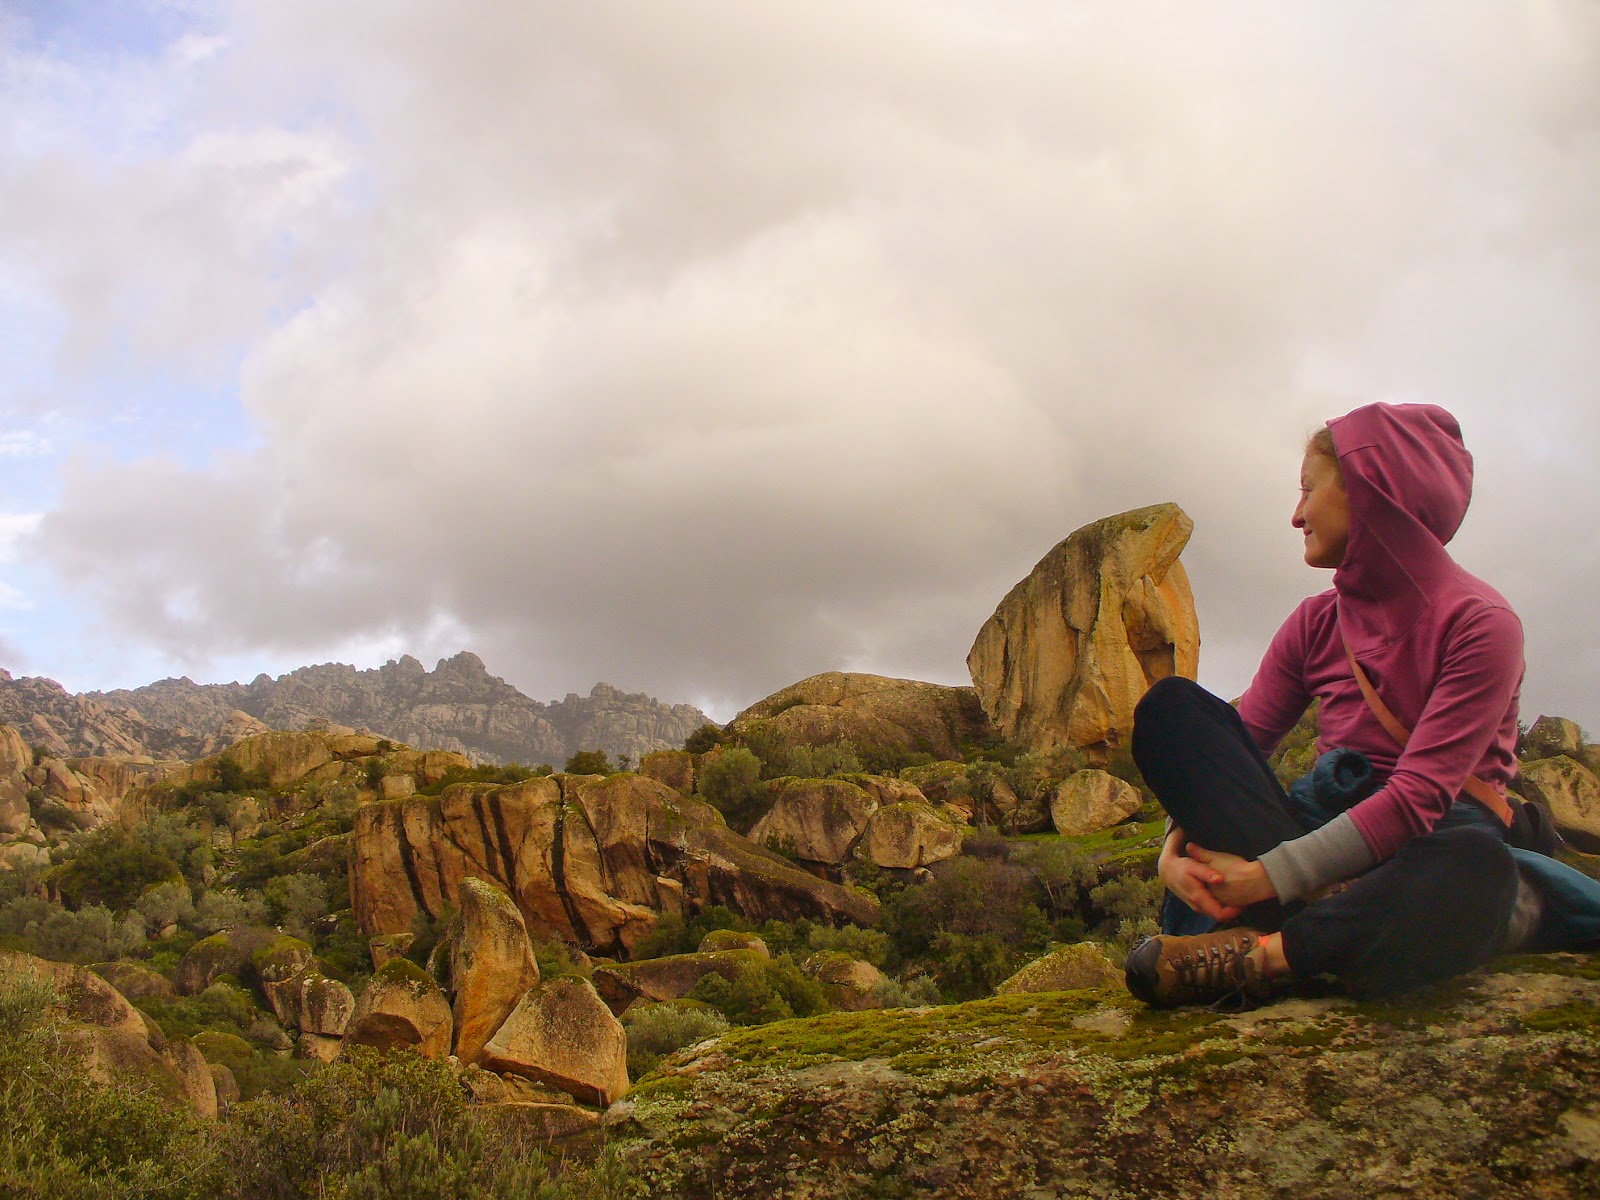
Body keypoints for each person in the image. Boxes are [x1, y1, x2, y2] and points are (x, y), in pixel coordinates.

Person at [1123, 401, 1571, 1007]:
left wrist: (1264, 876)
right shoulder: (1314, 623)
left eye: (1309, 489)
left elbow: (1415, 799)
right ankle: (1336, 929)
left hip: (1426, 844)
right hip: (1316, 838)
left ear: (1370, 490)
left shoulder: (1481, 625)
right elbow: (1239, 743)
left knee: (1478, 869)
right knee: (1170, 710)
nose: (1296, 514)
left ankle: (1268, 954)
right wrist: (1171, 855)